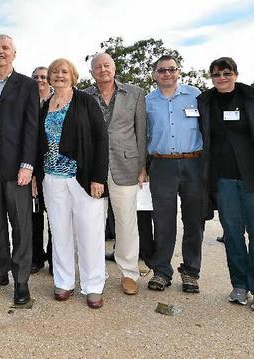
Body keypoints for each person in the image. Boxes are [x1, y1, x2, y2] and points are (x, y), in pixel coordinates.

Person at [197, 57, 254, 313]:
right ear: (211, 77)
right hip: (223, 180)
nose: (221, 78)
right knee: (232, 235)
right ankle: (239, 286)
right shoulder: (206, 102)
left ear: (235, 73)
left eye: (226, 73)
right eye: (216, 74)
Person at [37, 58, 108, 308]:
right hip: (52, 178)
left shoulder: (86, 102)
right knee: (60, 232)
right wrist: (37, 175)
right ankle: (64, 281)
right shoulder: (45, 105)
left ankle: (93, 286)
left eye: (64, 71)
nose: (59, 75)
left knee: (89, 233)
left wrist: (98, 177)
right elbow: (38, 144)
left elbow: (101, 139)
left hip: (83, 178)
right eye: (55, 71)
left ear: (73, 75)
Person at [0, 34, 39, 305]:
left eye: (5, 48)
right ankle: (0, 274)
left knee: (21, 227)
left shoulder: (26, 84)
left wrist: (27, 165)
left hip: (16, 168)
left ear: (14, 53)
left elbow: (31, 127)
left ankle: (21, 281)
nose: (0, 52)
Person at [83, 53, 146, 296]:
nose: (102, 70)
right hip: (93, 169)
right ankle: (95, 273)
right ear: (91, 72)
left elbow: (141, 132)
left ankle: (129, 273)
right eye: (97, 67)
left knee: (126, 222)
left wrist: (142, 166)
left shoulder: (135, 93)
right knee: (93, 223)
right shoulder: (84, 96)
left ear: (115, 67)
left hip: (126, 165)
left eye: (106, 65)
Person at [145, 55, 204, 293]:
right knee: (163, 221)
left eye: (171, 69)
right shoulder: (147, 101)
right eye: (162, 70)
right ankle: (162, 271)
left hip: (194, 164)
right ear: (154, 75)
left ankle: (191, 272)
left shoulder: (195, 95)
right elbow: (143, 134)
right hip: (162, 166)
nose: (167, 74)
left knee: (193, 220)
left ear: (178, 71)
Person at [31, 66, 53, 274]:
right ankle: (35, 257)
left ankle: (55, 257)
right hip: (32, 166)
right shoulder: (26, 102)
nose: (40, 80)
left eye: (44, 77)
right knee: (33, 215)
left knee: (55, 216)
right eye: (36, 77)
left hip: (54, 166)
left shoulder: (58, 102)